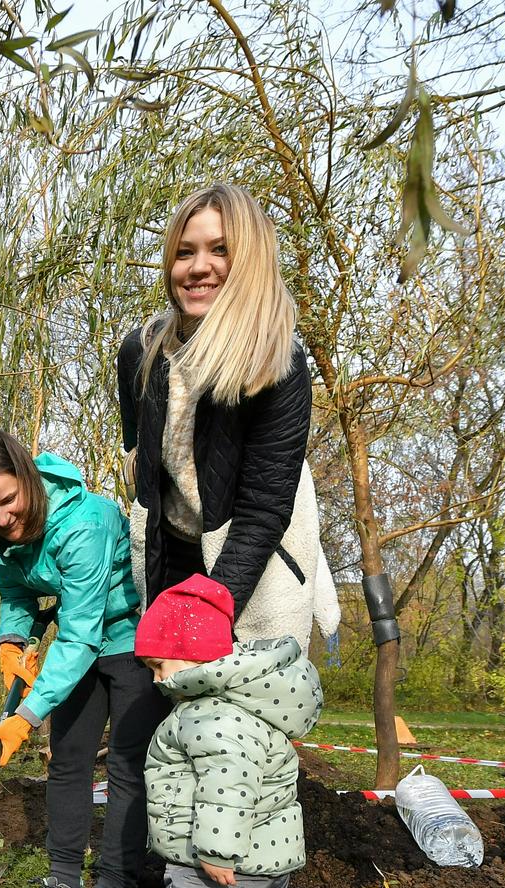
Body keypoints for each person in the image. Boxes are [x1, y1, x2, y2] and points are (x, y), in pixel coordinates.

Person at [0, 429, 163, 888]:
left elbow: (82, 632)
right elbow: (16, 592)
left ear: (27, 483)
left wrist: (26, 712)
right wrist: (10, 640)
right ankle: (64, 885)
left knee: (127, 769)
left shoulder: (82, 524)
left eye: (8, 500)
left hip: (130, 637)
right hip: (78, 646)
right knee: (68, 762)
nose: (1, 518)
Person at [118, 182, 340, 642]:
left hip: (254, 560)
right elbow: (140, 456)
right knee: (158, 700)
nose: (199, 267)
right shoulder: (140, 352)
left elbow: (263, 510)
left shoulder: (278, 362)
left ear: (250, 260)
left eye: (220, 249)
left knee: (238, 704)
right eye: (184, 252)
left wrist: (210, 611)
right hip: (170, 554)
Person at [134, 574, 321, 888]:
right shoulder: (251, 704)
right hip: (267, 859)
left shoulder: (209, 713)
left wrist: (217, 850)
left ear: (193, 655)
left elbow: (229, 783)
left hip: (217, 860)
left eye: (159, 665)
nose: (156, 679)